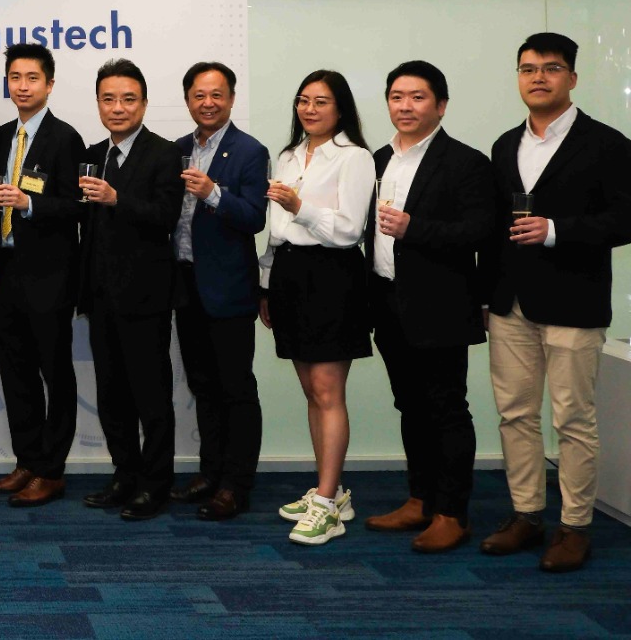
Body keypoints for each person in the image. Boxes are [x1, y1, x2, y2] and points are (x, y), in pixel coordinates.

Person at [481, 32, 631, 572]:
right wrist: (486, 295)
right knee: (515, 414)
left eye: (550, 68)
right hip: (510, 304)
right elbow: (494, 228)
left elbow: (625, 218)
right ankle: (526, 515)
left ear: (572, 77)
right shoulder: (504, 145)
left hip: (574, 301)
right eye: (528, 69)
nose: (538, 77)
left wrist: (556, 230)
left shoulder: (607, 144)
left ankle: (574, 526)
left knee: (572, 419)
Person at [363, 60, 494, 553]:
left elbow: (479, 231)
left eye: (417, 97)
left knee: (446, 409)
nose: (406, 106)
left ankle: (451, 513)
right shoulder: (376, 159)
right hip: (387, 300)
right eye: (397, 96)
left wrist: (414, 228)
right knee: (410, 406)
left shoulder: (466, 162)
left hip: (441, 306)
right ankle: (420, 499)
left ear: (440, 105)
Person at [261, 69, 373, 546]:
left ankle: (327, 503)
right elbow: (275, 229)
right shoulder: (288, 155)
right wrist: (265, 284)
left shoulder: (355, 157)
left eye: (321, 101)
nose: (309, 109)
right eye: (303, 100)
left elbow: (350, 230)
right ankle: (331, 491)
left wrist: (299, 205)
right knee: (311, 390)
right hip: (288, 273)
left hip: (332, 276)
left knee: (328, 391)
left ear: (340, 109)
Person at [77, 59, 185, 522]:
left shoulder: (164, 154)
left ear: (143, 103)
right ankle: (124, 475)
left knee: (151, 396)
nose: (117, 108)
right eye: (108, 99)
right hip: (100, 295)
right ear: (98, 103)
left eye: (127, 99)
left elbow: (166, 216)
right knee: (111, 395)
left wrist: (117, 198)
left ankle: (156, 484)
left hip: (145, 297)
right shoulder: (93, 153)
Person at [0, 43, 83, 508]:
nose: (23, 86)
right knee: (16, 372)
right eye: (15, 78)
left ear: (50, 84)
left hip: (50, 275)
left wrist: (29, 203)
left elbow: (77, 207)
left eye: (32, 78)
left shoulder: (65, 138)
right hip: (6, 273)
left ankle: (51, 470)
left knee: (55, 374)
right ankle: (27, 460)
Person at [170, 62, 268, 522]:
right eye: (199, 95)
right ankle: (210, 473)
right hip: (185, 285)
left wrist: (212, 192)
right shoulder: (177, 150)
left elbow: (254, 218)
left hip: (228, 289)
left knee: (236, 389)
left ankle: (236, 485)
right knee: (203, 385)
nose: (207, 103)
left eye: (217, 94)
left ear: (230, 98)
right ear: (187, 99)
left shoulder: (249, 151)